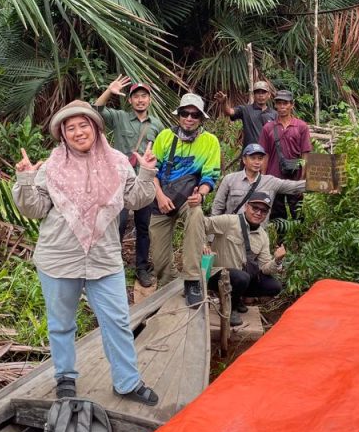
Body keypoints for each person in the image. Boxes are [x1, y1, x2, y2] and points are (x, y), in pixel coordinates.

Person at [13, 100, 159, 405]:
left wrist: (145, 173)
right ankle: (65, 377)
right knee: (61, 323)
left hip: (104, 258)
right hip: (58, 258)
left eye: (84, 125)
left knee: (117, 321)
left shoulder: (118, 162)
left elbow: (135, 200)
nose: (78, 132)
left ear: (96, 127)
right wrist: (26, 180)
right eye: (70, 127)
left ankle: (127, 382)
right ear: (62, 134)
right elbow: (35, 208)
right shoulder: (51, 167)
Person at [149, 93, 221, 306]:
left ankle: (192, 279)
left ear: (201, 118)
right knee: (160, 259)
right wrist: (160, 196)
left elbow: (210, 175)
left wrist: (201, 193)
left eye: (195, 115)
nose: (189, 118)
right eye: (185, 113)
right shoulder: (164, 137)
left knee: (196, 213)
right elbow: (151, 170)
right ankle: (169, 284)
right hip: (161, 197)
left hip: (188, 198)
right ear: (178, 115)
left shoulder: (210, 141)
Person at [95, 75, 164, 287]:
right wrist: (109, 90)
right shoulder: (120, 117)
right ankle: (112, 265)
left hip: (144, 181)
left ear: (149, 100)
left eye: (144, 96)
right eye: (136, 97)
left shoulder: (158, 125)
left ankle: (141, 268)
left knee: (144, 226)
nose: (140, 100)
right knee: (118, 223)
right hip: (120, 180)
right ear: (130, 101)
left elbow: (161, 155)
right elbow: (96, 110)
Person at [204, 192, 285, 325]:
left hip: (241, 279)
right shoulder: (229, 221)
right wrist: (203, 243)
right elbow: (201, 224)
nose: (258, 213)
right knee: (241, 277)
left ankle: (236, 298)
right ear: (246, 206)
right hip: (218, 276)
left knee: (274, 286)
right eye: (255, 208)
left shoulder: (263, 236)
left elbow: (264, 268)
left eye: (263, 211)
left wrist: (277, 260)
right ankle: (230, 308)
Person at [211, 143, 306, 219]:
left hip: (256, 236)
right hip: (231, 234)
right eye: (253, 158)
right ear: (244, 160)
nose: (257, 162)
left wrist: (318, 184)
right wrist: (211, 238)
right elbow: (217, 207)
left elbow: (294, 187)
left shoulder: (270, 181)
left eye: (260, 159)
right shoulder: (229, 179)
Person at [259, 90, 312, 221]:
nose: (282, 106)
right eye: (279, 103)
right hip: (273, 176)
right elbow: (265, 154)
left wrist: (303, 178)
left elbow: (305, 153)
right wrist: (263, 178)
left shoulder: (301, 126)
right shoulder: (268, 128)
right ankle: (280, 240)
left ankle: (299, 239)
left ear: (291, 105)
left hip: (295, 176)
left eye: (285, 103)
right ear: (275, 105)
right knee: (277, 212)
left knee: (297, 211)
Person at [214, 82, 277, 149]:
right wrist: (224, 103)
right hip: (249, 154)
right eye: (258, 92)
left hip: (268, 153)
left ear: (269, 95)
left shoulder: (274, 114)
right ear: (253, 95)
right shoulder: (245, 110)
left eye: (263, 92)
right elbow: (229, 112)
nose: (260, 95)